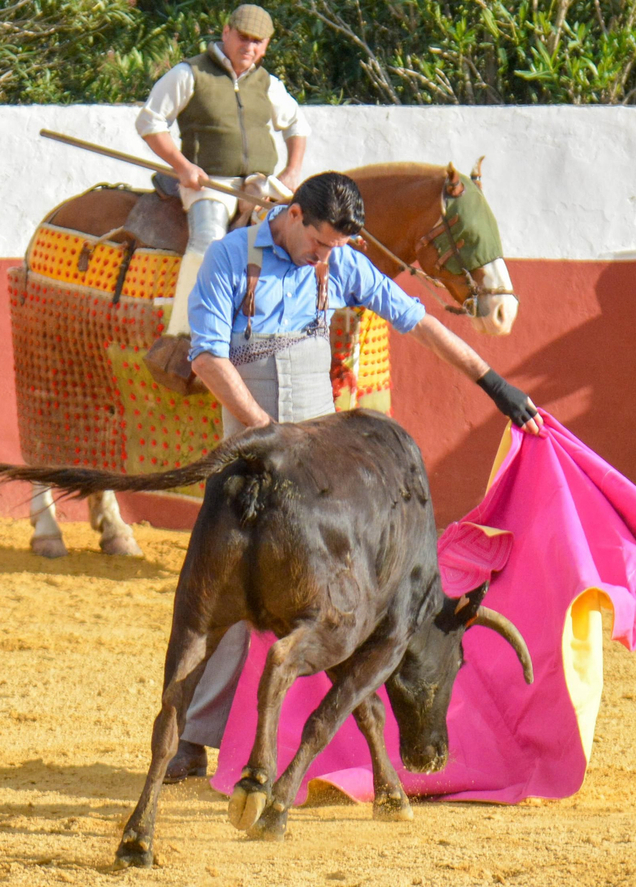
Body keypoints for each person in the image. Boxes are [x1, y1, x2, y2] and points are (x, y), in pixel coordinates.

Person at [164, 172, 542, 780]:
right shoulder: (230, 258)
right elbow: (207, 355)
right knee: (224, 599)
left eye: (337, 248)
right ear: (291, 215)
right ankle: (191, 739)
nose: (327, 257)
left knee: (346, 596)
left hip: (317, 459)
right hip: (251, 450)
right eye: (320, 245)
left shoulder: (339, 263)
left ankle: (334, 751)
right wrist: (266, 430)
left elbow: (418, 322)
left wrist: (494, 384)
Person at [136, 4, 309, 337]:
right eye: (243, 37)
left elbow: (297, 125)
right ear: (226, 31)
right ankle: (185, 335)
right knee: (209, 239)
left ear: (267, 45)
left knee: (294, 234)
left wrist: (291, 172)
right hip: (209, 183)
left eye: (258, 41)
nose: (250, 47)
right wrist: (183, 167)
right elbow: (150, 121)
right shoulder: (190, 73)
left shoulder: (267, 83)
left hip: (260, 184)